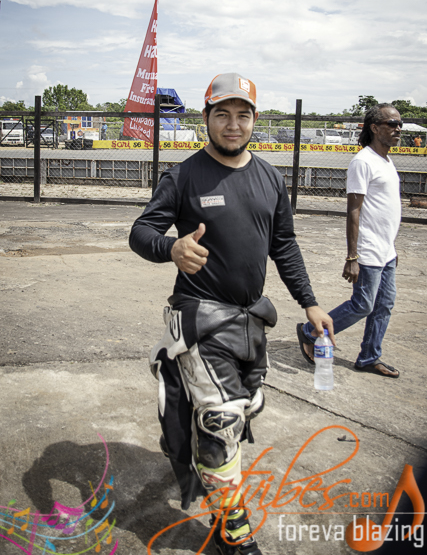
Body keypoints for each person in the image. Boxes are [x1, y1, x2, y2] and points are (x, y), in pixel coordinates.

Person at [129, 73, 334, 555]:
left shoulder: (270, 178)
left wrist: (309, 302)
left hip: (250, 321)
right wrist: (170, 248)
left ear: (255, 119)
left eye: (243, 115)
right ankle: (233, 532)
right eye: (222, 114)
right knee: (221, 420)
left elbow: (284, 245)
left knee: (241, 411)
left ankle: (186, 439)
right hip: (200, 317)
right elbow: (141, 232)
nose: (233, 124)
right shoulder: (183, 176)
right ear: (206, 117)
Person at [297, 103, 402, 378]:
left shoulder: (386, 161)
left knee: (384, 305)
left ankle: (369, 357)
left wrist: (392, 247)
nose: (398, 129)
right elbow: (353, 210)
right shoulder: (363, 162)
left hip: (386, 251)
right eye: (392, 124)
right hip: (368, 250)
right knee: (363, 304)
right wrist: (352, 256)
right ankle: (310, 331)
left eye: (399, 124)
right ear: (375, 128)